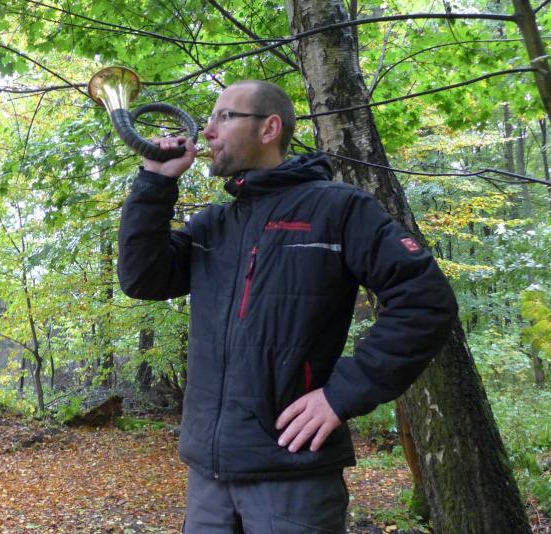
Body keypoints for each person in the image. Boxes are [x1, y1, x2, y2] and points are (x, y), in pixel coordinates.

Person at [118, 80, 457, 533]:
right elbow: (142, 279)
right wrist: (155, 183)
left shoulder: (337, 208)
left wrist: (343, 393)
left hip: (294, 477)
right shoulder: (214, 225)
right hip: (208, 481)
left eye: (224, 117)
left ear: (269, 128)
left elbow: (425, 300)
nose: (208, 130)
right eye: (209, 119)